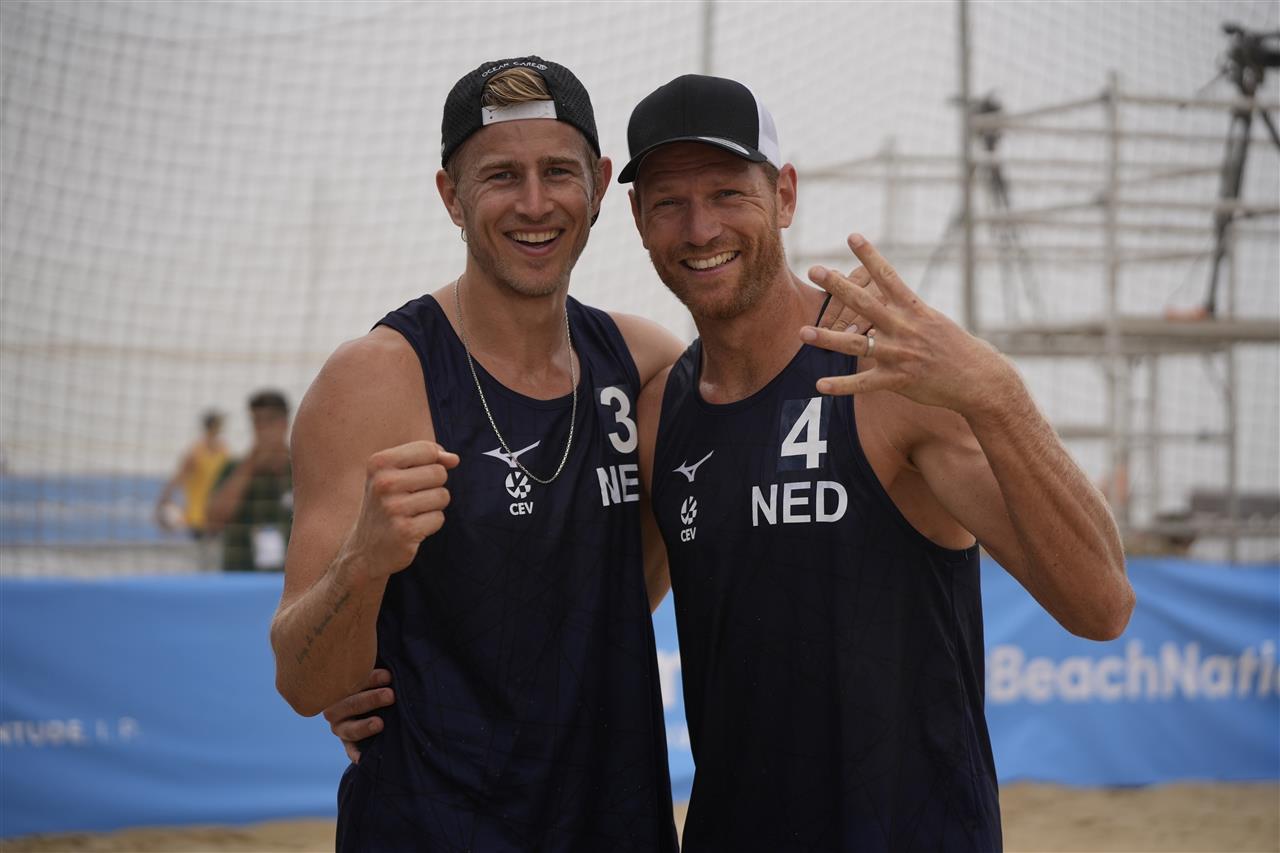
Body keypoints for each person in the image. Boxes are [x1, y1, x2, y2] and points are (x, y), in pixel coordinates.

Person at [329, 73, 1137, 852]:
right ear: (637, 216)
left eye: (727, 193)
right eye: (671, 203)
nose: (700, 228)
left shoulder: (886, 374)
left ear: (783, 195)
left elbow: (1101, 604)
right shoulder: (661, 405)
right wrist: (406, 675)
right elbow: (594, 601)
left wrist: (999, 394)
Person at [269, 57, 687, 851]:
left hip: (614, 819)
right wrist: (362, 565)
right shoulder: (377, 378)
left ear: (599, 185)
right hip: (434, 824)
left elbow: (628, 578)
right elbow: (302, 681)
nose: (535, 204)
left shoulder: (647, 367)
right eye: (501, 176)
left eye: (558, 172)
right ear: (450, 195)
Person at [206, 390, 293, 572]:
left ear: (284, 423)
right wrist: (250, 464)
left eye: (269, 421)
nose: (262, 429)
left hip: (290, 581)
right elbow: (213, 522)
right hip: (240, 577)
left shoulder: (302, 470)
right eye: (256, 422)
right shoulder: (233, 468)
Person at [155, 409, 229, 569]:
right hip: (198, 515)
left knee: (215, 559)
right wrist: (162, 504)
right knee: (203, 560)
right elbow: (177, 479)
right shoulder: (196, 452)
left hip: (218, 514)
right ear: (212, 426)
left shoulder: (224, 451)